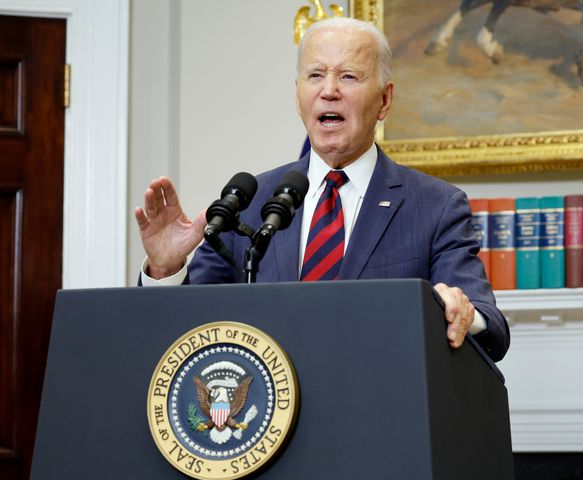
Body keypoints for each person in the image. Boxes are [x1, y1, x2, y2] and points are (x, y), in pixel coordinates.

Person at [135, 17, 510, 361]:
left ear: (384, 100)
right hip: (266, 422)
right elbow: (185, 330)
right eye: (315, 75)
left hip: (380, 421)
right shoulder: (251, 202)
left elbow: (492, 330)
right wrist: (166, 268)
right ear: (298, 95)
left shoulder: (435, 206)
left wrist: (465, 313)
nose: (329, 91)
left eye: (348, 76)